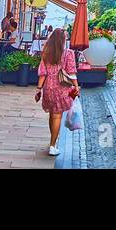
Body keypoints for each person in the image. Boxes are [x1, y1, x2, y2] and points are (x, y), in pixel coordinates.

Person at [36, 28, 78, 157]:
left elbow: (42, 73)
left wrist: (38, 88)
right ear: (63, 40)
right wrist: (76, 86)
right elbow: (71, 72)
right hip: (61, 88)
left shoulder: (46, 53)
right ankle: (53, 145)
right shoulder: (68, 53)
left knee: (52, 114)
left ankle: (52, 140)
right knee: (57, 115)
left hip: (48, 87)